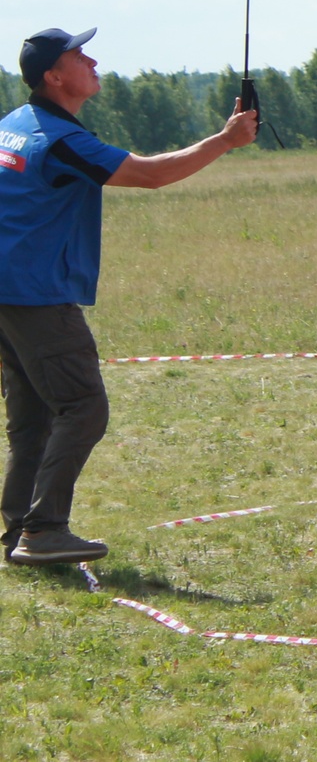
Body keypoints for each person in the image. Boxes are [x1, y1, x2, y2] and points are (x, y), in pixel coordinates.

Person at [2, 28, 258, 567]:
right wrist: (224, 141)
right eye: (78, 56)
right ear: (54, 76)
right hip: (36, 295)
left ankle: (18, 528)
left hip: (9, 294)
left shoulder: (12, 128)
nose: (92, 60)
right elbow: (150, 174)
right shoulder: (60, 139)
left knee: (34, 418)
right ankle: (44, 530)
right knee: (83, 407)